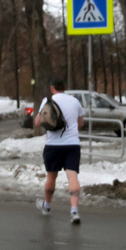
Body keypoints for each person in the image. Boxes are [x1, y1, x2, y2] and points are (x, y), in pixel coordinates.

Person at [33, 77, 85, 224]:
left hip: (53, 145)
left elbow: (37, 122)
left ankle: (47, 206)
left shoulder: (47, 101)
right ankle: (74, 211)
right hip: (72, 145)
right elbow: (81, 123)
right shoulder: (75, 101)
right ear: (65, 87)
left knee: (51, 176)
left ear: (52, 88)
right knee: (72, 176)